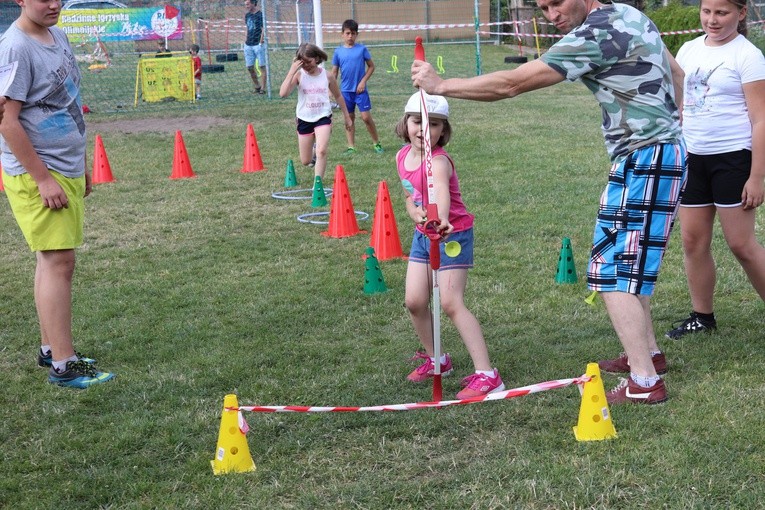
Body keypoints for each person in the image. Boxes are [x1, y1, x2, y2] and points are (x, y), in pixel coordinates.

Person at [412, 0, 687, 405]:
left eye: (556, 3)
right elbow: (677, 72)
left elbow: (513, 83)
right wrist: (672, 129)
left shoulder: (596, 31)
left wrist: (440, 86)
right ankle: (647, 356)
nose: (551, 14)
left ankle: (645, 383)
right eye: (542, 8)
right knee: (625, 259)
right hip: (654, 154)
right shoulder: (629, 12)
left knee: (613, 270)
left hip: (648, 157)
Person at [0, 0, 115, 389]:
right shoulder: (15, 47)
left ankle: (51, 348)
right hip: (40, 172)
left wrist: (78, 163)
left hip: (62, 166)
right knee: (59, 262)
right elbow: (6, 121)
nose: (54, 4)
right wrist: (44, 179)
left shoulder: (58, 35)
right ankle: (65, 366)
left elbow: (67, 105)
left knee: (51, 261)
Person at [667, 0, 765, 339]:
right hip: (693, 159)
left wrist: (756, 176)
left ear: (740, 13)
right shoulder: (689, 49)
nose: (712, 19)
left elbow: (761, 118)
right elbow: (678, 103)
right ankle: (702, 316)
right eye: (707, 11)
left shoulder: (747, 55)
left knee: (741, 244)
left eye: (721, 13)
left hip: (733, 159)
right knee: (693, 241)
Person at [396, 91, 504, 399]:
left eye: (433, 125)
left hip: (451, 234)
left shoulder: (439, 162)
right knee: (415, 301)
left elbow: (440, 192)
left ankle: (487, 375)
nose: (423, 130)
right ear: (406, 123)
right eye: (417, 122)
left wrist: (439, 220)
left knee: (450, 302)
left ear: (443, 131)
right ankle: (437, 359)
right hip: (423, 234)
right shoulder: (402, 157)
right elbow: (408, 194)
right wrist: (414, 212)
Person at [279, 43, 351, 182]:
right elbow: (283, 93)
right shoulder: (299, 75)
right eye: (303, 63)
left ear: (317, 58)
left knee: (322, 151)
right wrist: (292, 71)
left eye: (309, 62)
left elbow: (338, 96)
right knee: (305, 161)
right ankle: (313, 152)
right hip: (304, 118)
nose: (306, 65)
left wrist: (346, 117)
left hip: (323, 117)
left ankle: (317, 185)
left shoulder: (327, 76)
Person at [331, 19, 384, 156]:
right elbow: (334, 72)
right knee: (349, 118)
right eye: (347, 33)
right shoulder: (338, 52)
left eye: (353, 33)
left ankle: (376, 143)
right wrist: (331, 89)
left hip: (360, 91)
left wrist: (363, 82)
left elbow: (371, 66)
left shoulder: (362, 49)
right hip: (345, 92)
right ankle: (351, 146)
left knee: (366, 117)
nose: (350, 36)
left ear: (356, 35)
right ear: (342, 34)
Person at [244, 0, 266, 94]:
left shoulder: (260, 15)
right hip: (248, 44)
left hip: (258, 44)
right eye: (245, 4)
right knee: (249, 67)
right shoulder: (247, 15)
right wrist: (245, 39)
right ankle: (257, 85)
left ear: (253, 4)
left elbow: (263, 28)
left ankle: (263, 89)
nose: (246, 6)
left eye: (248, 4)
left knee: (262, 66)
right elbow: (247, 28)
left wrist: (261, 40)